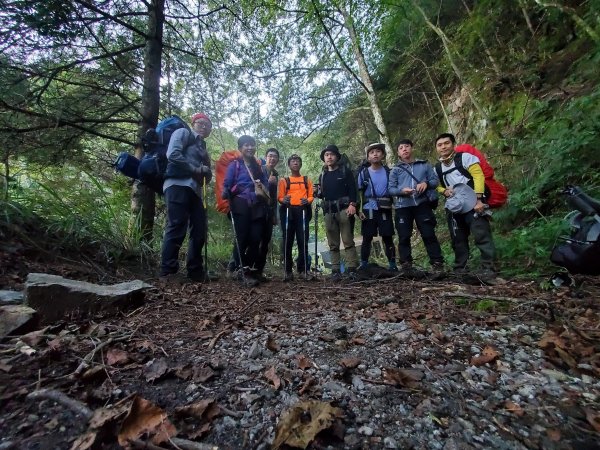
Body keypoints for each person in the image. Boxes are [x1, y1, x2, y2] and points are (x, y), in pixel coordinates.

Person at [434, 133, 496, 281]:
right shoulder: (437, 168)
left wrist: (479, 199)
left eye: (446, 143)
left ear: (453, 144)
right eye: (440, 145)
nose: (443, 147)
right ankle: (460, 269)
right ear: (436, 148)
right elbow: (435, 184)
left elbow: (478, 176)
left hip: (474, 203)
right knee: (458, 239)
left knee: (481, 235)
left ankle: (489, 268)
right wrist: (444, 191)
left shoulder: (466, 158)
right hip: (454, 207)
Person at [160, 112, 213, 283]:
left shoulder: (203, 148)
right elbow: (173, 154)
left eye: (208, 125)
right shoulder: (183, 133)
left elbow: (206, 177)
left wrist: (206, 171)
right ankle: (168, 271)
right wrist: (196, 169)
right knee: (176, 225)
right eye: (201, 123)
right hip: (177, 184)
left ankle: (195, 271)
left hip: (196, 191)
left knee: (199, 230)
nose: (204, 126)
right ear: (193, 123)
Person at [388, 139, 444, 276]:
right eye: (401, 148)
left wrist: (425, 183)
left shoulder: (424, 165)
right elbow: (391, 189)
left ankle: (437, 264)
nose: (404, 149)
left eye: (406, 146)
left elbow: (434, 181)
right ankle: (406, 266)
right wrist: (402, 191)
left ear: (412, 148)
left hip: (422, 204)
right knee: (404, 236)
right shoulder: (395, 169)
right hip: (402, 206)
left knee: (428, 233)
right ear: (398, 153)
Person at [222, 135, 270, 286]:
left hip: (257, 204)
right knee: (241, 238)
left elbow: (265, 184)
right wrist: (228, 191)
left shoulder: (258, 167)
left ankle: (247, 269)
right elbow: (227, 185)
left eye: (252, 145)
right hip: (240, 203)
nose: (250, 148)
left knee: (256, 238)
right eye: (246, 145)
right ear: (240, 148)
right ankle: (241, 271)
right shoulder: (235, 165)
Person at [318, 144, 359, 280]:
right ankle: (335, 270)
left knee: (347, 240)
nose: (329, 157)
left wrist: (353, 204)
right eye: (326, 155)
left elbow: (353, 189)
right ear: (324, 158)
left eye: (332, 154)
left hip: (344, 209)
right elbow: (322, 194)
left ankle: (351, 268)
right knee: (333, 243)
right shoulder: (322, 175)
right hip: (329, 211)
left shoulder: (345, 172)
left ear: (337, 157)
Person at [357, 143, 397, 273]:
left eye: (378, 151)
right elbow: (359, 193)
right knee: (367, 237)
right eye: (372, 152)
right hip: (369, 207)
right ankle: (364, 264)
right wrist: (359, 209)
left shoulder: (389, 172)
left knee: (387, 236)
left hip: (385, 206)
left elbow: (394, 190)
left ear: (383, 155)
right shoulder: (363, 173)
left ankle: (392, 264)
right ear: (368, 157)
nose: (375, 154)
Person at [278, 154, 314, 281]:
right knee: (287, 240)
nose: (295, 163)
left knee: (302, 240)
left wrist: (308, 201)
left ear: (301, 164)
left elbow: (311, 195)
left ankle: (303, 270)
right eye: (293, 161)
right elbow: (280, 197)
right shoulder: (284, 180)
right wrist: (284, 200)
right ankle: (288, 271)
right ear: (289, 164)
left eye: (298, 161)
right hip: (288, 210)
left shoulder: (306, 179)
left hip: (302, 210)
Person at [255, 148, 280, 282]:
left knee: (265, 242)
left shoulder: (275, 173)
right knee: (254, 239)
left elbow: (274, 197)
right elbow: (256, 188)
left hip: (269, 212)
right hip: (258, 210)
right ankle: (242, 268)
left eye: (275, 157)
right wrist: (268, 184)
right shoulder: (259, 169)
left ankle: (259, 271)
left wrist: (274, 215)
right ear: (266, 157)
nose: (272, 159)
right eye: (270, 156)